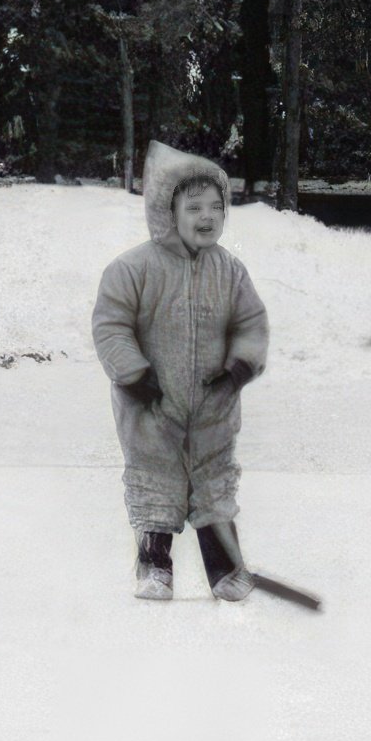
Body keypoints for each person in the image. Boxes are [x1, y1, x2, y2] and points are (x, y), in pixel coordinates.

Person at [91, 141, 268, 601]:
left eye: (216, 206)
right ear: (168, 212)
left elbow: (250, 323)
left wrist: (239, 368)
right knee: (157, 481)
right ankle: (154, 565)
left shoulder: (230, 271)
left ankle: (226, 570)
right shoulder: (133, 269)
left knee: (213, 484)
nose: (207, 216)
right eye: (194, 207)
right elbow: (111, 325)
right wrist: (132, 374)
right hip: (152, 404)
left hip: (213, 406)